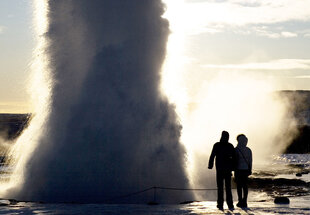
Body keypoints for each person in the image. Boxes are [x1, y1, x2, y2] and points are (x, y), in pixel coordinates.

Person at [208, 131, 236, 210]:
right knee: (228, 187)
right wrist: (233, 168)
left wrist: (210, 165)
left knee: (220, 187)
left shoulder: (217, 145)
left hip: (219, 170)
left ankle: (220, 204)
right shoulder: (230, 146)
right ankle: (230, 204)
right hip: (227, 170)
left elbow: (212, 156)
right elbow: (234, 158)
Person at [234, 134, 252, 208]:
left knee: (239, 186)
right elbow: (250, 161)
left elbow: (234, 162)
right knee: (245, 186)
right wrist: (250, 169)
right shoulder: (248, 150)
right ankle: (245, 201)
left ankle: (240, 201)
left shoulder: (236, 149)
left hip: (238, 170)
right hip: (246, 170)